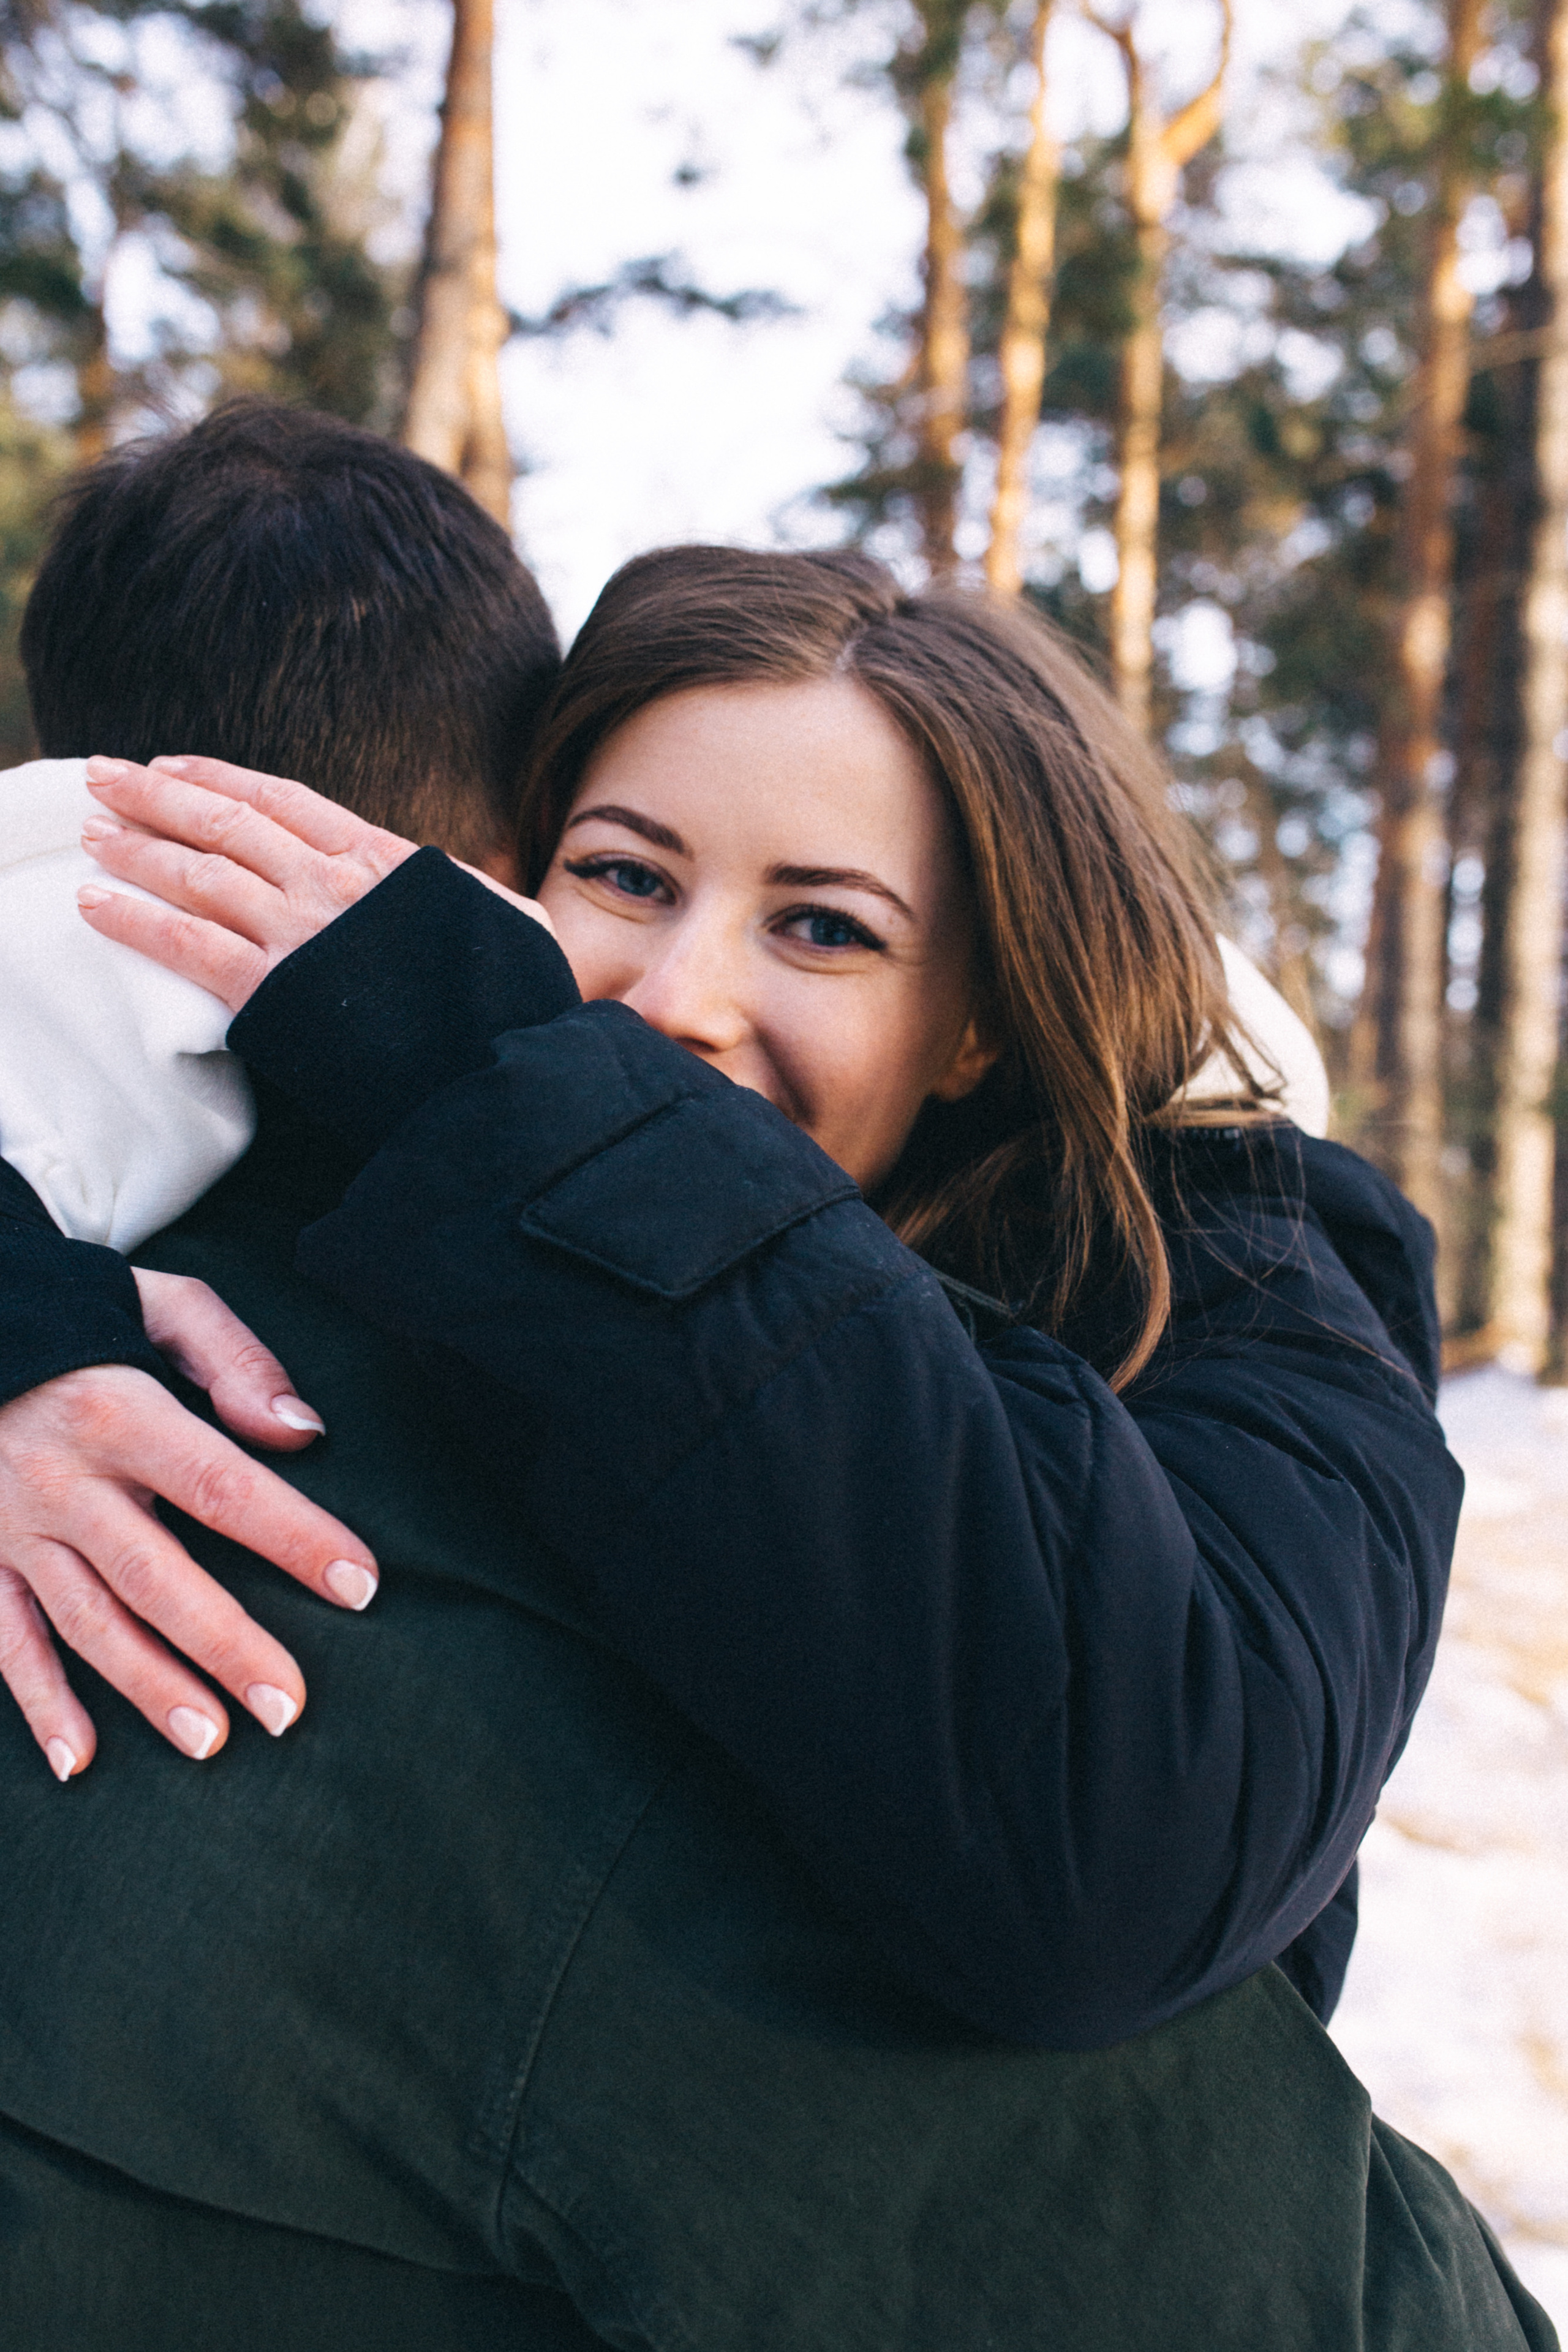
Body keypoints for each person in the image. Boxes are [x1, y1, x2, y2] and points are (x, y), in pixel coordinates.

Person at [48, 543, 1460, 2047]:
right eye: (623, 875)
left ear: (973, 1026)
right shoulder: (422, 1123)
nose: (674, 999)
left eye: (825, 928)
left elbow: (1120, 1858)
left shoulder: (1253, 1300)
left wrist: (521, 1092)